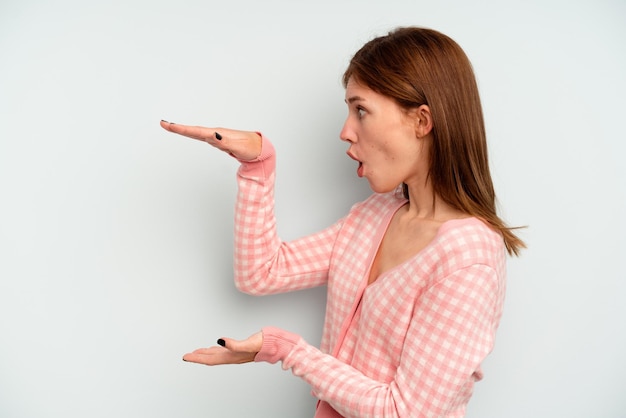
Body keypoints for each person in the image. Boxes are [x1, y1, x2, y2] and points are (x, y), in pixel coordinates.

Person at [160, 26, 524, 418]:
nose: (345, 132)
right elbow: (260, 273)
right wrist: (257, 165)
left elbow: (404, 412)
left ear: (422, 121)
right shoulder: (374, 215)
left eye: (361, 110)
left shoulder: (469, 257)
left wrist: (289, 351)